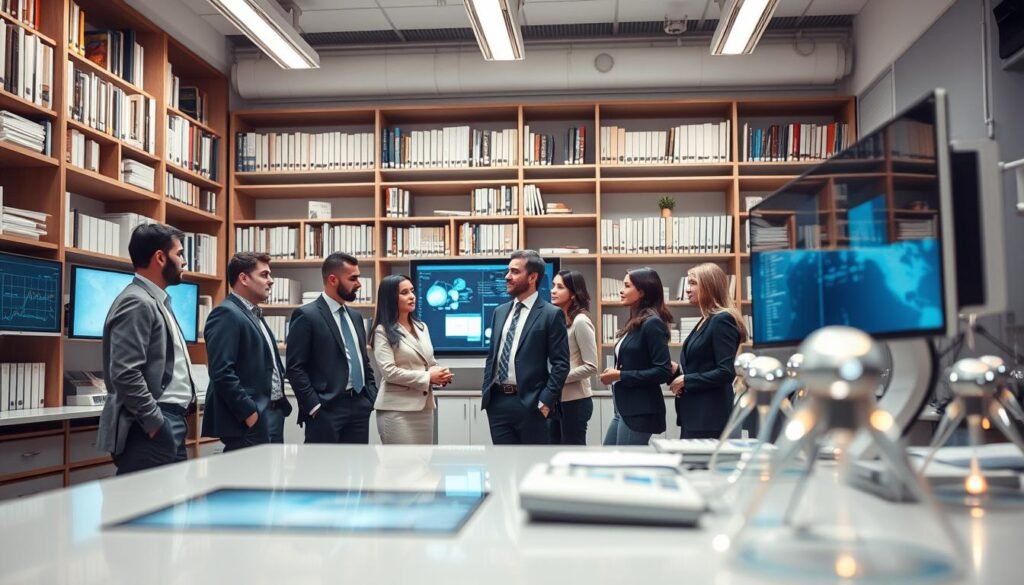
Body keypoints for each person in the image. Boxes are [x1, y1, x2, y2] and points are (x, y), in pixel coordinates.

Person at [97, 223, 196, 475]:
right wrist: (155, 424)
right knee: (146, 510)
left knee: (170, 509)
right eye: (180, 254)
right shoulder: (136, 301)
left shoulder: (156, 300)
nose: (184, 262)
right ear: (160, 258)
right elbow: (125, 373)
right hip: (150, 425)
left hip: (169, 421)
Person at [202, 252, 292, 451]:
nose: (271, 281)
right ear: (243, 278)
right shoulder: (226, 313)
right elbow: (222, 372)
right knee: (249, 480)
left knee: (270, 481)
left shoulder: (253, 313)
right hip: (250, 419)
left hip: (272, 413)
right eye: (264, 275)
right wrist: (251, 414)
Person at [286, 253, 377, 444]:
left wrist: (370, 396)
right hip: (326, 410)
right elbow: (295, 368)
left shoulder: (356, 317)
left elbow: (363, 360)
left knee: (359, 468)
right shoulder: (306, 315)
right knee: (323, 472)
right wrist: (314, 406)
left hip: (359, 406)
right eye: (353, 278)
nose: (359, 284)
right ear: (333, 280)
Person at [481, 250, 570, 445]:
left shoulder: (550, 314)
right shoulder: (499, 312)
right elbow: (492, 357)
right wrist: (487, 394)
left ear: (532, 277)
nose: (507, 276)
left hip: (532, 404)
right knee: (503, 468)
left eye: (514, 272)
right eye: (508, 271)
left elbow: (561, 364)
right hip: (498, 403)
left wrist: (546, 401)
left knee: (532, 470)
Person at [370, 274, 452, 444]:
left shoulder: (422, 327)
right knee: (401, 467)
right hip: (396, 411)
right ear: (391, 298)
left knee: (422, 465)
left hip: (424, 409)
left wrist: (440, 373)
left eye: (412, 291)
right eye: (404, 292)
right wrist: (428, 377)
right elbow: (389, 372)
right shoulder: (382, 331)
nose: (412, 296)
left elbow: (429, 362)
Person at [670, 263, 748, 439]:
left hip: (710, 416)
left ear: (709, 285)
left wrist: (687, 380)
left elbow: (726, 372)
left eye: (692, 283)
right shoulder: (705, 320)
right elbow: (702, 365)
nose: (687, 289)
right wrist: (677, 372)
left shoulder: (722, 320)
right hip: (695, 414)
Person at [600, 267, 674, 446]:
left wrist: (620, 375)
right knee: (608, 457)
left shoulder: (652, 324)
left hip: (640, 411)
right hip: (623, 409)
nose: (621, 290)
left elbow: (663, 371)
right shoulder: (634, 323)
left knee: (625, 465)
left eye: (626, 286)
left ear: (641, 291)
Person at [548, 269, 597, 445]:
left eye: (560, 287)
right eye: (553, 285)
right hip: (556, 399)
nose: (553, 290)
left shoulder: (581, 321)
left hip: (576, 401)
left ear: (574, 295)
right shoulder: (559, 320)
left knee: (572, 454)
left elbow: (592, 366)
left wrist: (557, 379)